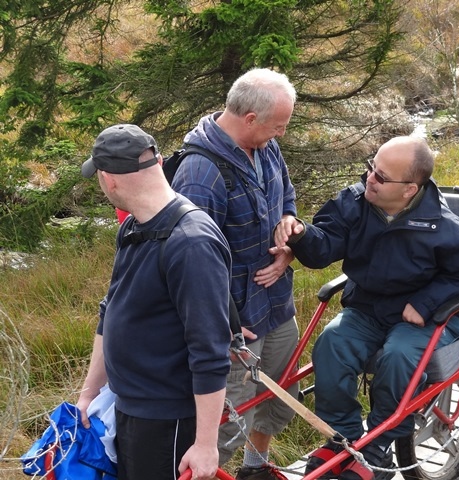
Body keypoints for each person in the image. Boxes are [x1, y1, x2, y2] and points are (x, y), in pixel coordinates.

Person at [274, 136, 459, 480]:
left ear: (408, 190)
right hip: (369, 308)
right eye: (371, 167)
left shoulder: (443, 227)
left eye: (382, 177)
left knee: (398, 357)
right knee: (332, 345)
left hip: (420, 318)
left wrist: (425, 303)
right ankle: (342, 439)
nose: (370, 178)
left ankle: (378, 446)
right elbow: (322, 248)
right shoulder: (354, 203)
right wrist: (301, 234)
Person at [76, 124, 232, 480]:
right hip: (123, 405)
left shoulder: (191, 242)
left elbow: (210, 352)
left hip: (167, 420)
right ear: (158, 162)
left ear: (108, 179)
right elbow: (110, 310)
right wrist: (89, 393)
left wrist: (206, 444)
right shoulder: (133, 227)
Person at [170, 68, 299, 480]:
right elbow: (194, 263)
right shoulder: (201, 174)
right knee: (227, 418)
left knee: (278, 395)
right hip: (235, 324)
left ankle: (255, 469)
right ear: (250, 119)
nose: (280, 135)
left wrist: (289, 236)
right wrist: (222, 326)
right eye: (277, 127)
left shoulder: (266, 147)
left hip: (277, 305)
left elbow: (288, 196)